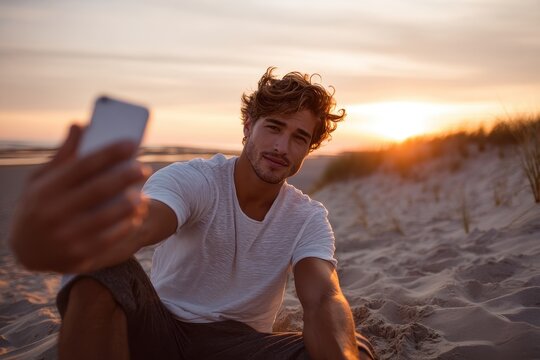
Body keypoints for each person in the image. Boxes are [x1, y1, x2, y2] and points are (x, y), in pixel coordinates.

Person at [8, 68, 377, 360]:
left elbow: (323, 298)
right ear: (248, 126)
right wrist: (72, 238)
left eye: (299, 137)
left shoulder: (307, 217)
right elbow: (143, 225)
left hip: (240, 347)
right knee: (103, 267)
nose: (282, 147)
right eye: (274, 127)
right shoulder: (194, 179)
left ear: (308, 148)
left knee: (354, 347)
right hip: (160, 330)